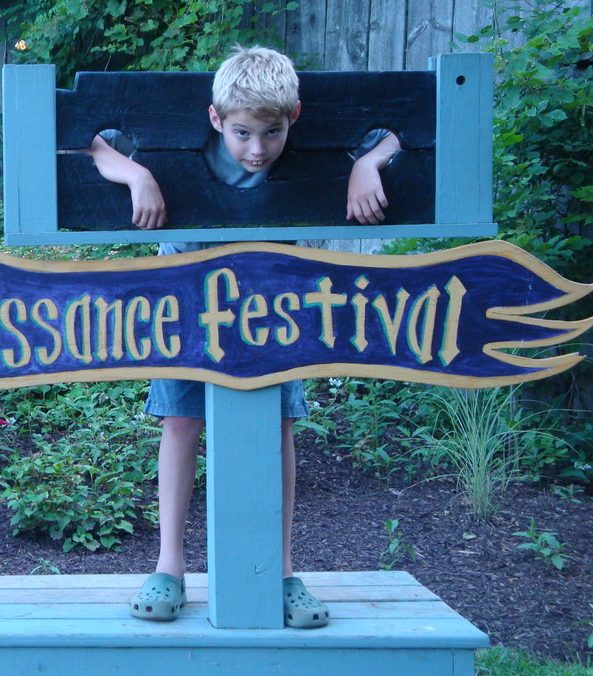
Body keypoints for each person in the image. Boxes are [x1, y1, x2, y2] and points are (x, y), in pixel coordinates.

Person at [86, 46, 401, 628]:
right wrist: (136, 173)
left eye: (272, 133)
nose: (257, 149)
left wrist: (366, 163)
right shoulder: (186, 146)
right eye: (241, 133)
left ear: (295, 117)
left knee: (277, 426)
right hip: (185, 299)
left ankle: (280, 571)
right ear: (214, 118)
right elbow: (85, 140)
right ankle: (169, 565)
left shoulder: (305, 147)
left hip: (274, 303)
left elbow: (395, 132)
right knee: (180, 421)